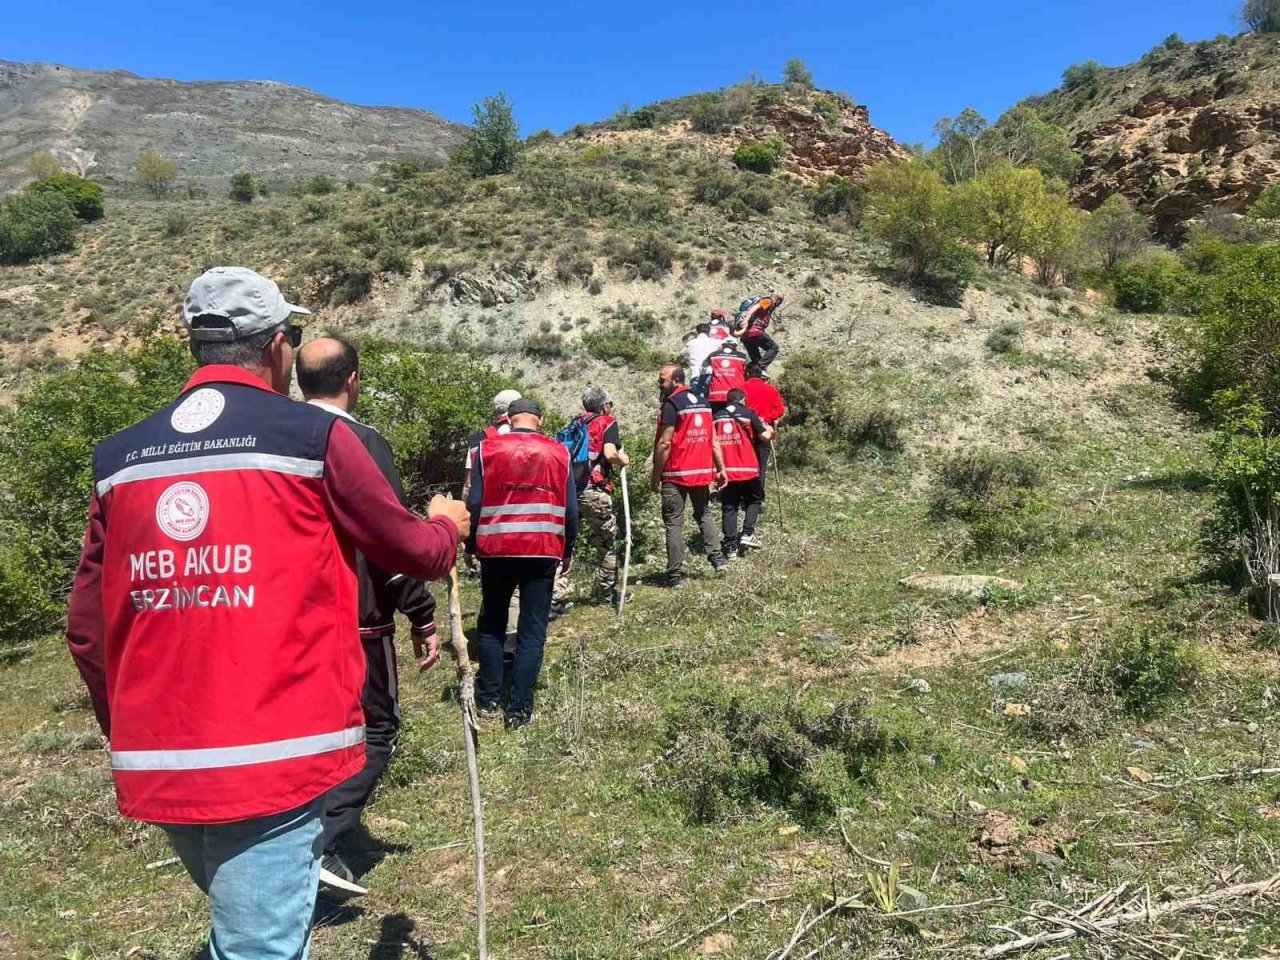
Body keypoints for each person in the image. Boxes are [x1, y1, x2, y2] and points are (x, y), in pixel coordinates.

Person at [65, 267, 470, 960]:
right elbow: (410, 550)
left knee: (245, 931)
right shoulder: (314, 439)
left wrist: (131, 729)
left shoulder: (120, 458)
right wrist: (447, 524)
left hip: (157, 759)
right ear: (279, 348)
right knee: (261, 947)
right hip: (273, 761)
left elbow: (85, 628)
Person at [297, 336, 442, 896]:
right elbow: (390, 541)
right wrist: (421, 615)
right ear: (353, 380)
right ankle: (324, 843)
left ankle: (289, 832)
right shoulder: (358, 441)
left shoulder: (278, 438)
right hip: (357, 618)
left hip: (293, 620)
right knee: (376, 728)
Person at [466, 398, 578, 729]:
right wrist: (568, 547)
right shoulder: (559, 452)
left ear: (508, 419)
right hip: (542, 549)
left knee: (492, 624)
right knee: (532, 630)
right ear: (540, 420)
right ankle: (519, 707)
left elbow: (475, 502)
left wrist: (471, 545)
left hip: (497, 547)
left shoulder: (486, 449)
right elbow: (570, 508)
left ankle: (487, 698)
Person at [652, 364, 729, 586]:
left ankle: (675, 575)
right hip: (700, 472)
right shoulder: (704, 403)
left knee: (674, 522)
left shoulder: (672, 404)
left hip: (675, 473)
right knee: (703, 514)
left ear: (676, 381)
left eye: (662, 380)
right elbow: (713, 440)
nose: (659, 384)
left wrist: (656, 475)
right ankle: (717, 559)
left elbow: (665, 443)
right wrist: (721, 468)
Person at [554, 386, 630, 606]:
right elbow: (609, 453)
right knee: (606, 543)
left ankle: (554, 595)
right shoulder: (607, 422)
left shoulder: (574, 423)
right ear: (605, 406)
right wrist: (622, 460)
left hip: (569, 491)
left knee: (565, 544)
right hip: (595, 491)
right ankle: (606, 597)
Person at [714, 388, 775, 558]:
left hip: (725, 469)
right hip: (747, 467)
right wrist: (769, 430)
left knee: (729, 506)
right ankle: (748, 533)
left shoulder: (716, 417)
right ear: (742, 399)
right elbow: (764, 437)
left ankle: (731, 547)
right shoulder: (749, 413)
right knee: (755, 499)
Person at [740, 363, 787, 550]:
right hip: (765, 432)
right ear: (762, 375)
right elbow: (780, 410)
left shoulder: (741, 388)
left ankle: (744, 497)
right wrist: (765, 418)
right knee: (761, 467)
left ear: (747, 373)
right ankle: (756, 498)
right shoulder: (770, 389)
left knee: (744, 465)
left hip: (745, 434)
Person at [733, 293, 783, 371]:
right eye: (780, 302)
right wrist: (746, 319)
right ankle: (759, 369)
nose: (779, 305)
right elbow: (754, 308)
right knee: (774, 348)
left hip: (745, 336)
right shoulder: (768, 301)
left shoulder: (768, 303)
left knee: (756, 361)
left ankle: (751, 373)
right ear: (777, 299)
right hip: (755, 331)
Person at [703, 338, 749, 412]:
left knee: (717, 419)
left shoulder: (713, 355)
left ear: (723, 345)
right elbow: (749, 371)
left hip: (716, 395)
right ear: (735, 346)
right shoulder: (743, 357)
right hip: (736, 395)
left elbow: (703, 369)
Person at [681, 322, 719, 399]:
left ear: (697, 332)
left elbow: (681, 355)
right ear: (709, 332)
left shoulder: (691, 343)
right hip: (711, 375)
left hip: (696, 375)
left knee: (698, 403)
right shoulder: (716, 342)